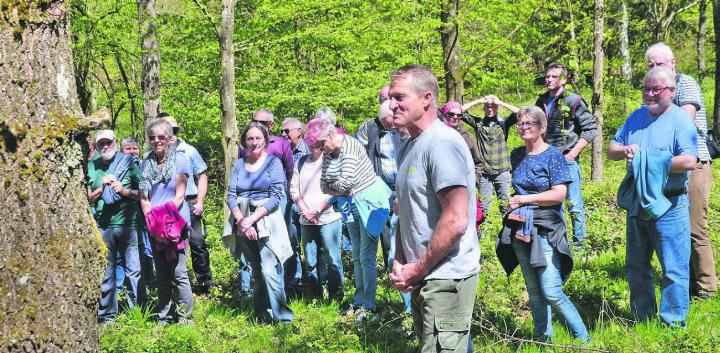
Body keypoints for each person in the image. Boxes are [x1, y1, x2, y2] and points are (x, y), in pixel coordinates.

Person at [387, 64, 480, 352]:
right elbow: (406, 211)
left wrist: (416, 269)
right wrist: (400, 260)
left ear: (427, 98)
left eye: (400, 97)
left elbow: (456, 220)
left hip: (447, 276)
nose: (392, 105)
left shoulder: (442, 143)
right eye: (391, 98)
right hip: (423, 274)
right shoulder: (409, 146)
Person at [608, 67, 698, 327]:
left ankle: (673, 324)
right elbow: (612, 149)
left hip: (669, 202)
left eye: (656, 89)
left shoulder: (681, 120)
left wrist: (651, 160)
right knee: (636, 265)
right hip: (638, 201)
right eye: (646, 88)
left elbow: (690, 160)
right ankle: (642, 318)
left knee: (673, 268)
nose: (649, 94)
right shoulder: (636, 116)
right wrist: (625, 149)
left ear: (671, 91)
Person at [496, 106, 590, 343]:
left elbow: (559, 194)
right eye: (521, 123)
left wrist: (525, 199)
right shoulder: (517, 154)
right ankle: (542, 340)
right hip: (520, 227)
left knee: (552, 291)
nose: (523, 127)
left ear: (542, 128)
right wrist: (513, 203)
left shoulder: (554, 155)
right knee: (535, 292)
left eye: (529, 123)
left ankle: (584, 341)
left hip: (546, 229)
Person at [645, 42, 716, 299]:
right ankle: (684, 284)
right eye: (650, 65)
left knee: (695, 227)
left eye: (660, 64)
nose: (655, 68)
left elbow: (685, 117)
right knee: (673, 227)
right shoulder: (653, 93)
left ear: (672, 63)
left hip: (693, 163)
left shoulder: (685, 84)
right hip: (666, 166)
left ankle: (706, 287)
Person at [306, 116, 391, 322]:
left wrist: (336, 187)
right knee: (356, 254)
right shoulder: (328, 154)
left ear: (330, 135)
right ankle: (359, 299)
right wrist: (339, 188)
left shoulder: (350, 146)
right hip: (349, 205)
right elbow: (323, 184)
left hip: (369, 203)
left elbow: (348, 181)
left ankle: (369, 305)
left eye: (320, 143)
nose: (320, 148)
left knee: (367, 256)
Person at [225, 122, 294, 324]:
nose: (254, 142)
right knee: (254, 271)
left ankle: (283, 318)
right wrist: (242, 220)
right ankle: (261, 316)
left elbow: (276, 196)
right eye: (250, 138)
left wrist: (253, 219)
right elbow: (231, 195)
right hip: (242, 219)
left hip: (267, 219)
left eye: (258, 138)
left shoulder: (273, 163)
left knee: (269, 270)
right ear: (244, 141)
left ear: (265, 140)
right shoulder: (239, 164)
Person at [356, 100, 412, 314]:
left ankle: (410, 307)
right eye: (386, 124)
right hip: (382, 194)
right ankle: (404, 302)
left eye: (392, 124)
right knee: (390, 247)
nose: (391, 128)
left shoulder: (411, 136)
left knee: (403, 250)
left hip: (405, 193)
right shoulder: (372, 129)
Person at [535, 63, 597, 247]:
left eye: (554, 77)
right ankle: (558, 244)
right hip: (546, 161)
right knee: (553, 205)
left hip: (567, 161)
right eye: (547, 76)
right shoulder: (541, 101)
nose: (549, 80)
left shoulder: (573, 100)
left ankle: (580, 248)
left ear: (563, 79)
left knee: (574, 206)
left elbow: (591, 129)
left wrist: (572, 154)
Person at [139, 119, 194, 325]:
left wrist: (163, 222)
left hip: (175, 223)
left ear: (169, 139)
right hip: (154, 226)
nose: (156, 141)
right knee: (161, 274)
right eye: (152, 137)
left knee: (179, 273)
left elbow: (180, 195)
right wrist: (151, 221)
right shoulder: (146, 162)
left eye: (161, 137)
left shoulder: (180, 159)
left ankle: (185, 317)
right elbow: (145, 197)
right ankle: (164, 316)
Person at [241, 109, 299, 296]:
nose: (258, 125)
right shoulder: (245, 145)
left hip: (278, 198)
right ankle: (254, 289)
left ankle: (284, 286)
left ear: (271, 126)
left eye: (263, 123)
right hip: (251, 199)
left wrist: (288, 197)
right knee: (252, 240)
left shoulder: (280, 144)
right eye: (255, 121)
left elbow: (290, 172)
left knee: (279, 240)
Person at [87, 130, 143, 324]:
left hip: (129, 225)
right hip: (103, 226)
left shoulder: (129, 162)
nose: (105, 146)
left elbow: (144, 194)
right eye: (101, 143)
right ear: (96, 145)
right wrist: (101, 187)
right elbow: (86, 199)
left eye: (108, 142)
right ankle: (107, 316)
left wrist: (123, 190)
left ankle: (137, 312)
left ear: (115, 142)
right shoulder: (92, 166)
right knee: (107, 272)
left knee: (134, 270)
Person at [159, 114, 214, 294]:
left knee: (198, 243)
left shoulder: (188, 150)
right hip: (168, 206)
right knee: (172, 245)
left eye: (175, 130)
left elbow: (202, 175)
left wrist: (200, 201)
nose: (172, 134)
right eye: (168, 130)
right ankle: (176, 285)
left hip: (190, 202)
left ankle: (204, 282)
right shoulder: (156, 154)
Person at [289, 136, 344, 300]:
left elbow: (338, 188)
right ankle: (315, 297)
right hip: (306, 220)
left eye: (317, 142)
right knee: (310, 261)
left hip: (329, 218)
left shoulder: (331, 161)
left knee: (333, 259)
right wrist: (304, 210)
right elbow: (293, 188)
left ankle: (336, 297)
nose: (314, 145)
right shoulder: (300, 162)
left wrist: (318, 210)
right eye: (310, 142)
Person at [461, 95, 519, 217]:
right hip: (484, 173)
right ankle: (482, 235)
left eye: (493, 106)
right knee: (483, 209)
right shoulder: (478, 123)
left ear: (497, 107)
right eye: (487, 106)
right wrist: (479, 100)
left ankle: (507, 234)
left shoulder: (504, 123)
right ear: (483, 108)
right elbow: (460, 111)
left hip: (502, 171)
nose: (490, 108)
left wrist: (501, 102)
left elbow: (520, 112)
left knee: (506, 206)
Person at [120, 135, 155, 298]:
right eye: (128, 149)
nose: (132, 152)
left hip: (147, 216)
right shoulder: (119, 168)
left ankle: (150, 282)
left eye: (135, 148)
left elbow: (148, 192)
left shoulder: (144, 166)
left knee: (148, 251)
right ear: (121, 151)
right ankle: (125, 288)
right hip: (127, 219)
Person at [439, 101, 483, 189]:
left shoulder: (467, 136)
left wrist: (473, 181)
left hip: (463, 186)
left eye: (459, 115)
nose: (455, 117)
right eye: (452, 114)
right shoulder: (436, 134)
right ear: (445, 114)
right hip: (439, 185)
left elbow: (478, 163)